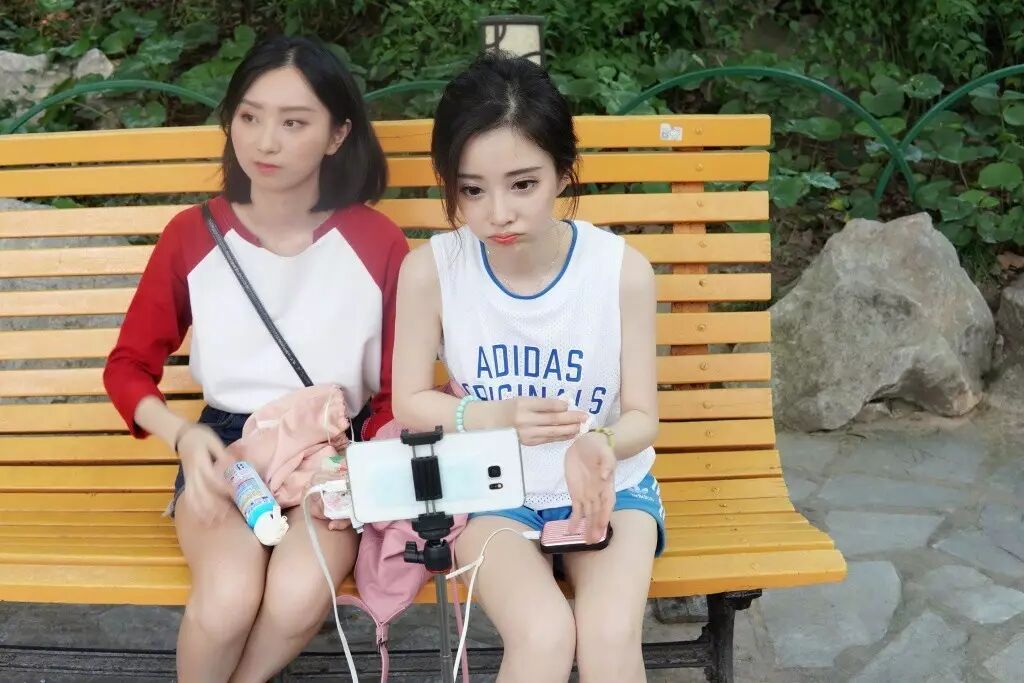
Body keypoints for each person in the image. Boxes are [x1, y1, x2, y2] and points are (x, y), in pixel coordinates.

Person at [103, 35, 407, 683]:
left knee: (298, 593)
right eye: (249, 116)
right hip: (227, 448)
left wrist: (361, 464)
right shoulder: (193, 234)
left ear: (337, 134)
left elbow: (392, 394)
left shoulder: (376, 241)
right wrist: (183, 436)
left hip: (334, 454)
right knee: (228, 599)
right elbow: (126, 367)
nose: (265, 141)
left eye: (294, 122)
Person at [392, 52, 665, 683]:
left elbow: (643, 418)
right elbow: (410, 401)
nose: (498, 212)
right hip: (492, 491)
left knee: (609, 636)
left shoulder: (620, 272)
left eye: (522, 184)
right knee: (543, 635)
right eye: (472, 190)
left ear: (563, 173)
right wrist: (496, 417)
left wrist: (600, 443)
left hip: (609, 488)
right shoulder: (432, 270)